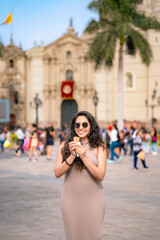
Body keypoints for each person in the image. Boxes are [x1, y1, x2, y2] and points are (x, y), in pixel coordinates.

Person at [54, 111, 107, 240]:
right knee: (73, 236)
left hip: (94, 199)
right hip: (70, 199)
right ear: (73, 127)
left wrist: (84, 157)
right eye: (77, 125)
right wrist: (72, 155)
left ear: (91, 126)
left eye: (84, 124)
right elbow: (57, 173)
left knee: (93, 236)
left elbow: (100, 175)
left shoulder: (99, 147)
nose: (81, 128)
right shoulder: (64, 146)